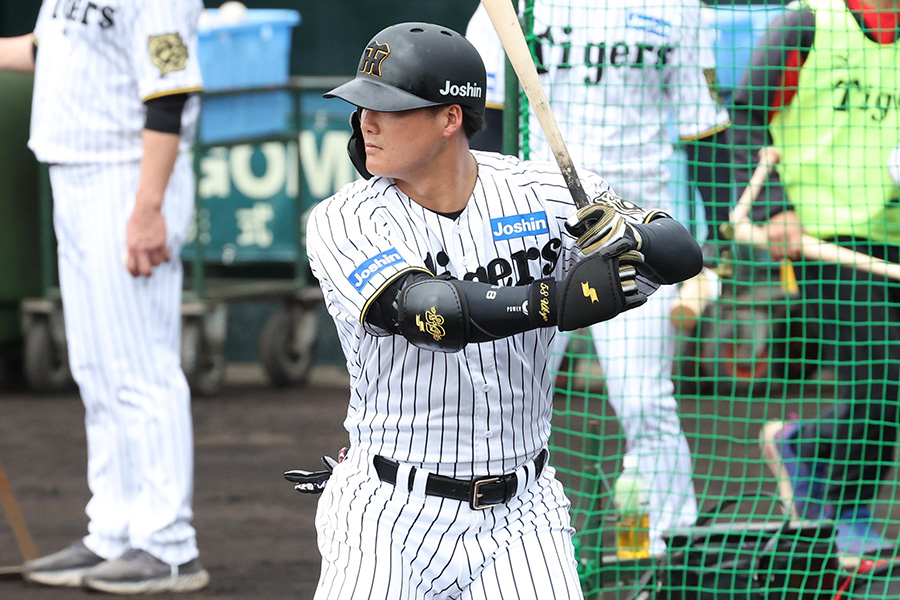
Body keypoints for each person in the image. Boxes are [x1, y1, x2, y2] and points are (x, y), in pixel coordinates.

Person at [303, 21, 702, 599]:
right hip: (388, 508)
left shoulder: (539, 190)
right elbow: (429, 313)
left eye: (389, 107)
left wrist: (630, 234)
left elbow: (682, 253)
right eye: (362, 104)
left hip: (523, 512)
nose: (367, 120)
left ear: (449, 118)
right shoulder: (346, 218)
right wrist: (556, 301)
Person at [466, 0, 734, 554]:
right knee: (505, 397)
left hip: (635, 229)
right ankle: (492, 536)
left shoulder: (679, 8)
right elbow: (481, 120)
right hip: (530, 228)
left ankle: (673, 548)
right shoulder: (514, 5)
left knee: (644, 400)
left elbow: (701, 125)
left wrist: (724, 229)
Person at [0, 1, 209, 593]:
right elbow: (48, 49)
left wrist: (147, 208)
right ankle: (113, 532)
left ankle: (167, 545)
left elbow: (170, 93)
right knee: (97, 366)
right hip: (74, 171)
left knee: (140, 366)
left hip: (127, 176)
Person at [732, 0, 900, 566]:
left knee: (886, 392)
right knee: (881, 382)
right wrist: (775, 205)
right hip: (823, 241)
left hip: (892, 237)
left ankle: (802, 444)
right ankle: (848, 518)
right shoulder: (808, 24)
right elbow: (746, 113)